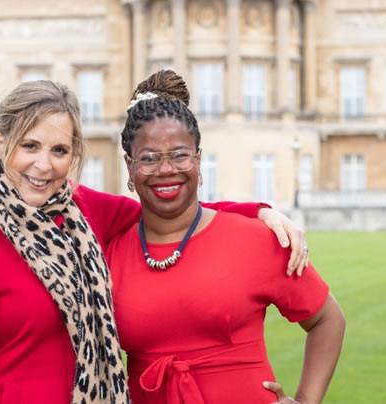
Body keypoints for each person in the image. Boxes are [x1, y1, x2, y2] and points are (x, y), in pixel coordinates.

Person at [0, 80, 311, 404]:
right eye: (30, 146)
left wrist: (257, 211)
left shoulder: (82, 210)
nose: (44, 165)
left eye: (59, 150)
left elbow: (169, 202)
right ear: (0, 143)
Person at [106, 70, 346, 404]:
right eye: (149, 158)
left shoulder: (256, 239)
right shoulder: (109, 253)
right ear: (129, 167)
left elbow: (327, 319)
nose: (166, 169)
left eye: (179, 154)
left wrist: (307, 400)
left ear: (199, 161)